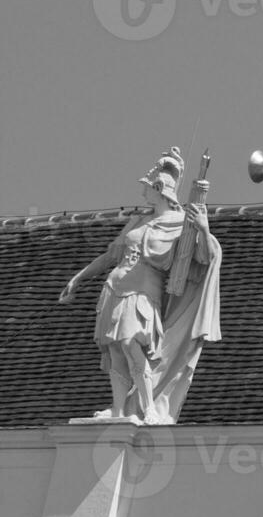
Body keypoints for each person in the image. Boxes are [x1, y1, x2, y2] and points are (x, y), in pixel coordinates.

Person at [59, 150, 222, 424]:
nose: (142, 190)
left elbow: (206, 257)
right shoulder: (137, 221)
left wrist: (204, 229)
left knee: (130, 343)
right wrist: (79, 277)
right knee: (114, 349)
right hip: (115, 288)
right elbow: (112, 256)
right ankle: (120, 409)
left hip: (144, 292)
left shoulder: (182, 224)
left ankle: (148, 408)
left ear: (159, 189)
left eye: (147, 186)